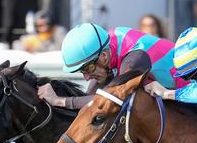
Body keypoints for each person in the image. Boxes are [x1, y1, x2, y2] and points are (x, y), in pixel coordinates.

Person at [37, 23, 187, 110]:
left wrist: (58, 101)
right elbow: (89, 101)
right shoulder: (106, 48)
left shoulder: (134, 59)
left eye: (87, 69)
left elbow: (110, 100)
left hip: (195, 95)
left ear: (103, 56)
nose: (86, 77)